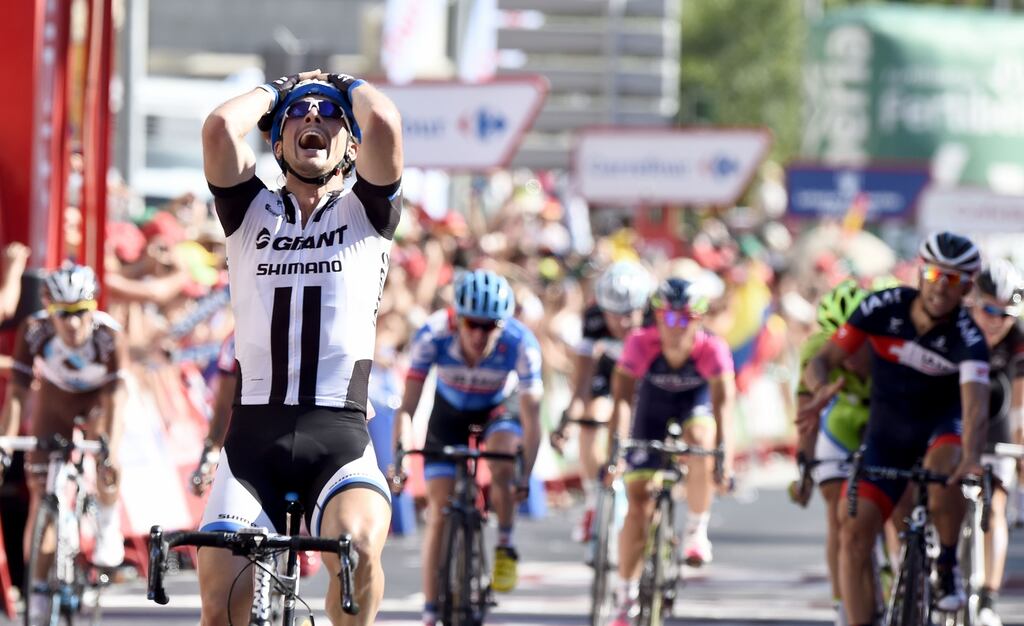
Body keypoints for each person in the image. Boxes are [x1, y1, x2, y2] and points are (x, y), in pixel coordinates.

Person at [199, 68, 402, 626]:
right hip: (253, 440)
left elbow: (384, 121)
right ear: (276, 138)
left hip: (336, 434)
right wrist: (277, 90)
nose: (315, 117)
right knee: (219, 606)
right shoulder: (248, 212)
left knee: (356, 551)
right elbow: (219, 129)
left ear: (350, 144)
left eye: (331, 113)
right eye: (300, 113)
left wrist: (341, 82)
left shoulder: (366, 211)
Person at [805, 232, 990, 625]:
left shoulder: (969, 339)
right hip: (887, 434)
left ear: (968, 288)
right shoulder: (881, 306)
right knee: (853, 532)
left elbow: (974, 406)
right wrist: (820, 388)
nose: (942, 286)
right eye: (937, 273)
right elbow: (823, 357)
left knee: (947, 469)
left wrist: (972, 457)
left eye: (954, 280)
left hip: (942, 428)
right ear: (921, 272)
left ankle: (947, 566)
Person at [389, 269, 543, 626]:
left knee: (504, 457)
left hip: (497, 410)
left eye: (488, 327)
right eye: (471, 323)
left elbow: (533, 419)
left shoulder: (521, 343)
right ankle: (430, 609)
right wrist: (400, 457)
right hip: (449, 414)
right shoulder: (433, 334)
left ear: (502, 326)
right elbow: (407, 408)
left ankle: (504, 539)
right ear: (457, 318)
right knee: (440, 511)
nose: (478, 334)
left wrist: (526, 474)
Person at [0, 263, 127, 619]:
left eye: (80, 313)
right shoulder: (34, 330)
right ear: (48, 310)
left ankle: (106, 522)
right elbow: (18, 391)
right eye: (63, 314)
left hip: (99, 400)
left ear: (93, 307)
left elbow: (117, 399)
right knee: (42, 492)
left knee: (108, 459)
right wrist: (5, 443)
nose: (72, 324)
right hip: (55, 399)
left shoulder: (109, 334)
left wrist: (109, 452)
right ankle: (38, 591)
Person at [606, 278, 736, 626]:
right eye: (668, 318)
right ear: (657, 317)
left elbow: (724, 409)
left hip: (695, 406)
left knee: (700, 439)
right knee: (638, 505)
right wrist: (616, 451)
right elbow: (621, 402)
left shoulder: (713, 349)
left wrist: (724, 458)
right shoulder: (639, 343)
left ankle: (696, 529)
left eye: (686, 319)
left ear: (699, 319)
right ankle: (625, 596)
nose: (676, 327)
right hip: (651, 409)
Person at [549, 260, 653, 542]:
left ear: (644, 306)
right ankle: (595, 500)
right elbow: (582, 382)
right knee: (591, 418)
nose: (623, 323)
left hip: (649, 377)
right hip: (612, 372)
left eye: (630, 314)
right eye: (614, 314)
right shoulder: (593, 318)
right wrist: (568, 420)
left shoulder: (657, 318)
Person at [792, 280, 872, 626]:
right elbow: (805, 416)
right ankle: (843, 605)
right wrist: (805, 469)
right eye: (841, 344)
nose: (850, 354)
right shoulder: (815, 349)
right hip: (841, 420)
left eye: (859, 344)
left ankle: (901, 568)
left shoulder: (888, 344)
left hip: (881, 416)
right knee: (840, 519)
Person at [968, 260, 1024, 626]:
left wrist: (1020, 451)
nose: (994, 321)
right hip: (955, 420)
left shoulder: (1018, 339)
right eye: (988, 310)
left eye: (1004, 315)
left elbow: (1020, 404)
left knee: (996, 506)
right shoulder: (956, 328)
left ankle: (987, 597)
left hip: (997, 420)